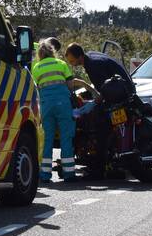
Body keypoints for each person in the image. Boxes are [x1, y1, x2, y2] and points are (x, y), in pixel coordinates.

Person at [31, 40, 77, 182]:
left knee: (47, 139)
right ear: (53, 52)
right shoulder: (61, 64)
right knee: (66, 137)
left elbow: (35, 89)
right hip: (63, 104)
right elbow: (70, 84)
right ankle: (68, 173)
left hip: (46, 105)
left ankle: (45, 175)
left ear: (40, 54)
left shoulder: (36, 67)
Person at [64, 43, 131, 93]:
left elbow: (105, 88)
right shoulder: (90, 55)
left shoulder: (92, 66)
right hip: (123, 86)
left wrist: (84, 84)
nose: (70, 64)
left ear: (80, 57)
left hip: (125, 91)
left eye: (72, 61)